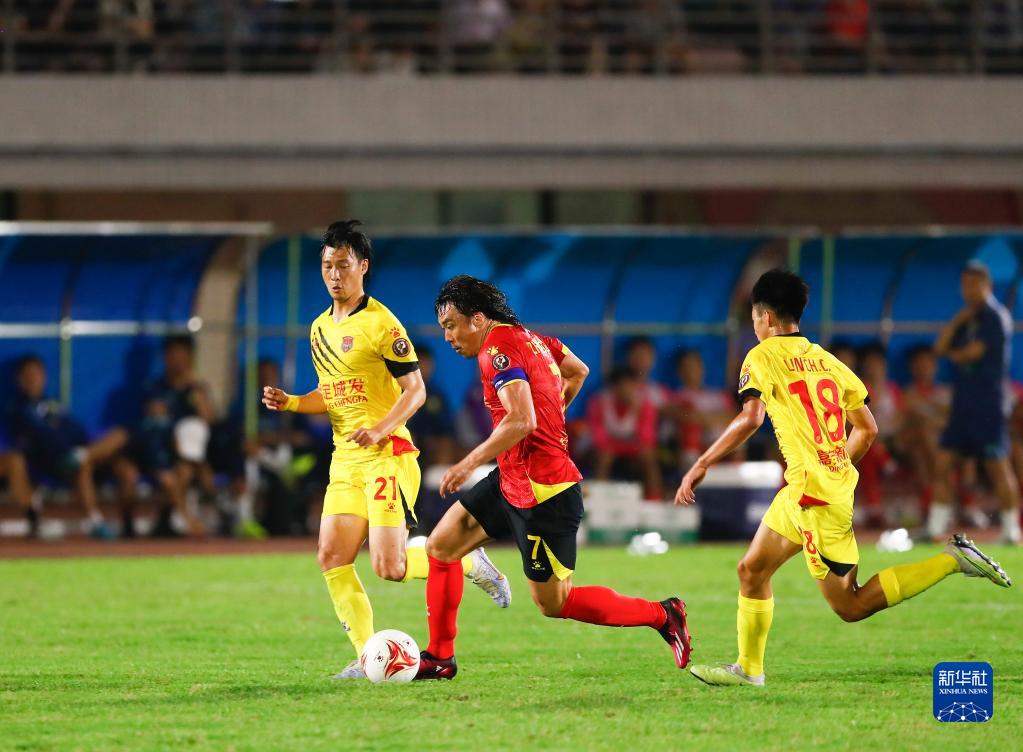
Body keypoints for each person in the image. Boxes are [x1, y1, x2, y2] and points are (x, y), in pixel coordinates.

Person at [676, 269, 1011, 688]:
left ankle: (952, 560)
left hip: (815, 500)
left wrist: (702, 462)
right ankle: (749, 669)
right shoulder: (828, 361)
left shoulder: (761, 356)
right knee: (752, 570)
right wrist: (834, 464)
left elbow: (750, 418)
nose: (756, 325)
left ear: (766, 317)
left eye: (755, 317)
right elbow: (867, 429)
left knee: (850, 606)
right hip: (804, 490)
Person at [261, 221, 509, 680]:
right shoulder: (319, 328)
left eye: (343, 265)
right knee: (331, 558)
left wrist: (379, 429)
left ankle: (468, 560)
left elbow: (415, 391)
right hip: (345, 461)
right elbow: (331, 394)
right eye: (327, 266)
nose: (334, 274)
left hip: (386, 456)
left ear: (363, 267)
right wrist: (292, 402)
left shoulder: (381, 323)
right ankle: (366, 657)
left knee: (389, 567)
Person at [415, 275, 691, 680]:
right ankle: (440, 658)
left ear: (478, 318)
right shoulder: (533, 339)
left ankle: (663, 614)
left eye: (451, 325)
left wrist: (468, 462)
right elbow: (578, 371)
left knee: (555, 603)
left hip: (545, 492)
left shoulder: (496, 351)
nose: (448, 337)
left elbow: (521, 420)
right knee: (441, 546)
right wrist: (553, 413)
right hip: (513, 477)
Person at [929, 261, 1021, 544]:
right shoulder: (967, 319)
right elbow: (939, 348)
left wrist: (956, 354)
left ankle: (1011, 531)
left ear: (987, 285)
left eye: (974, 284)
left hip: (988, 406)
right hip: (962, 407)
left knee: (997, 466)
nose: (968, 289)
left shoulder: (996, 317)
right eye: (965, 284)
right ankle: (934, 529)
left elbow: (972, 353)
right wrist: (958, 321)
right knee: (943, 464)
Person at [6, 354, 134, 539]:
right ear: (20, 380)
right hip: (53, 461)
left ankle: (128, 525)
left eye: (37, 374)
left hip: (79, 449)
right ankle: (95, 522)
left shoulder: (54, 404)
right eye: (29, 375)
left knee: (121, 440)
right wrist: (58, 434)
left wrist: (81, 444)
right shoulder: (18, 408)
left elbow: (76, 429)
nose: (34, 379)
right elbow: (41, 435)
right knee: (82, 466)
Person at [586, 366, 662, 499]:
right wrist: (614, 446)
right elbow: (599, 437)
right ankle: (599, 498)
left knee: (648, 457)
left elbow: (647, 438)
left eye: (629, 385)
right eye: (620, 386)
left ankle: (654, 500)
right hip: (607, 448)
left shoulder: (645, 405)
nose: (625, 390)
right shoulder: (599, 402)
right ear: (613, 388)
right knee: (604, 456)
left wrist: (638, 413)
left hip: (632, 447)